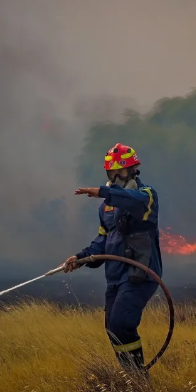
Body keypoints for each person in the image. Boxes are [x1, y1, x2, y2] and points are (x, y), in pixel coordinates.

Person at [61, 142, 163, 375]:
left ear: (134, 170)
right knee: (112, 329)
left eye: (121, 172)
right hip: (115, 277)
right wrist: (80, 257)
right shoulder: (105, 209)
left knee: (122, 324)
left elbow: (131, 199)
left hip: (140, 274)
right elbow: (101, 242)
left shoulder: (146, 197)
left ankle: (138, 378)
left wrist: (104, 192)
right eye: (111, 173)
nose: (116, 178)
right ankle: (131, 377)